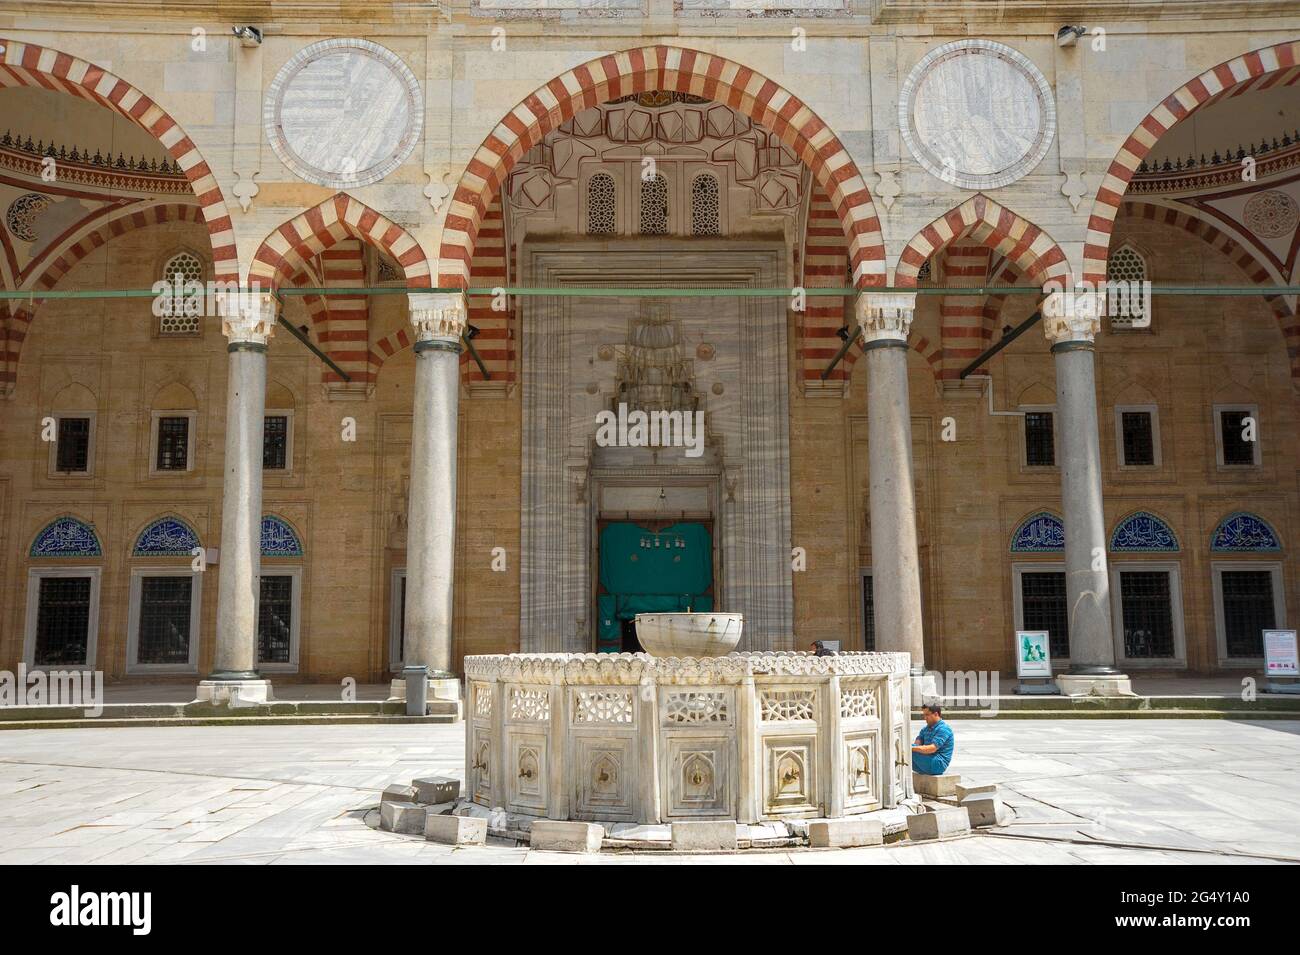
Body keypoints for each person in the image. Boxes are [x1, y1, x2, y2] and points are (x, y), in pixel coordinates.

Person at [911, 703, 954, 775]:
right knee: (900, 753)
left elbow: (932, 748)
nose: (925, 718)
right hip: (927, 760)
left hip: (938, 765)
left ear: (936, 714)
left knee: (907, 751)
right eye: (924, 715)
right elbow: (917, 744)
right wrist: (912, 747)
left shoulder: (944, 729)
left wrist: (911, 748)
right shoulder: (925, 729)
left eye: (927, 715)